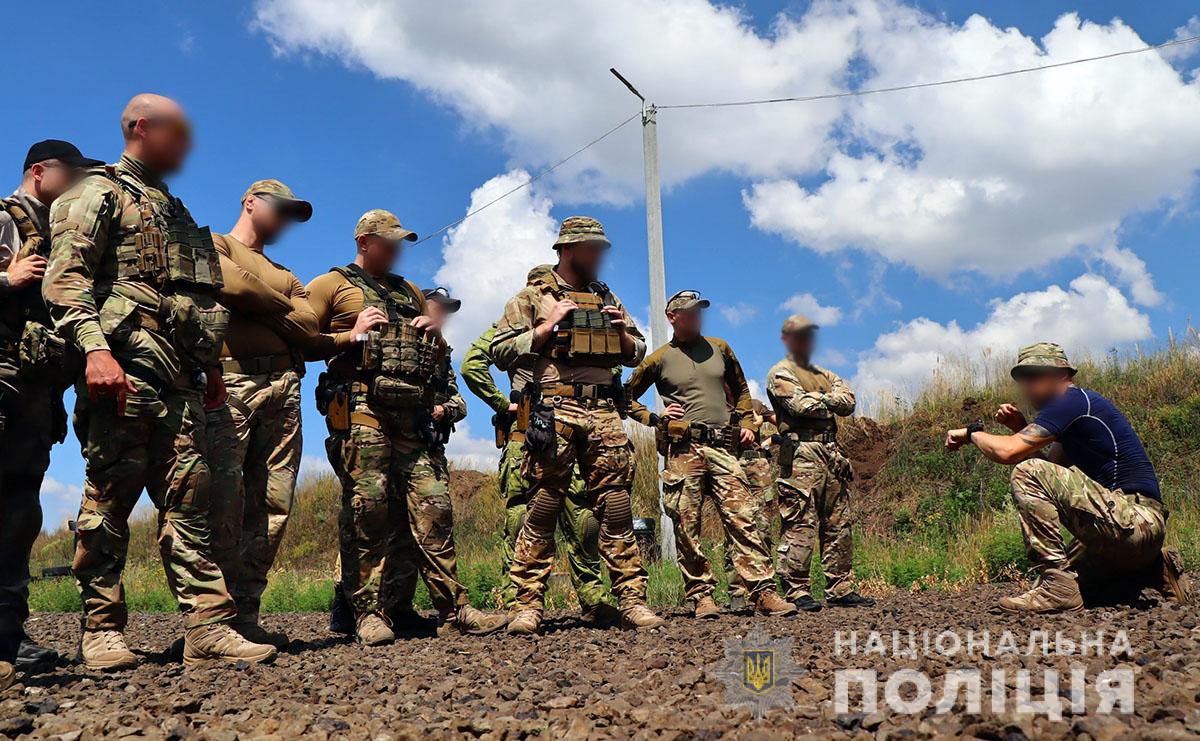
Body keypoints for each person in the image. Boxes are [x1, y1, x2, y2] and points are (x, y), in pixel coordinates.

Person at [44, 94, 276, 669]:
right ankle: (101, 630)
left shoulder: (174, 211)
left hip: (181, 377)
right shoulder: (97, 193)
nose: (189, 144)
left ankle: (207, 629)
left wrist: (212, 364)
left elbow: (195, 297)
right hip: (122, 370)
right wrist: (96, 352)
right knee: (109, 500)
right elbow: (65, 281)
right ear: (143, 128)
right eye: (179, 131)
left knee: (190, 501)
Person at [304, 210, 506, 645]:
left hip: (411, 418)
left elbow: (430, 358)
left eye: (400, 242)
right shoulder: (330, 285)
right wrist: (351, 335)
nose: (397, 249)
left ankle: (455, 610)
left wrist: (433, 334)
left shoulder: (409, 290)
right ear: (363, 240)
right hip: (361, 412)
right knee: (369, 510)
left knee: (434, 507)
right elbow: (300, 340)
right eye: (389, 241)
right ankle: (366, 612)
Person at [491, 215, 663, 635]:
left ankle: (632, 601)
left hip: (604, 413)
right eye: (592, 249)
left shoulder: (606, 296)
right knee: (544, 506)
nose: (599, 256)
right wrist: (549, 326)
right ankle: (527, 605)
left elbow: (637, 352)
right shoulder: (531, 297)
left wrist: (623, 335)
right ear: (567, 250)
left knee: (618, 509)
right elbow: (499, 351)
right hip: (556, 411)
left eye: (602, 249)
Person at [944, 342, 1190, 613]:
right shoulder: (1071, 420)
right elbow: (1047, 470)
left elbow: (1011, 455)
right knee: (1083, 589)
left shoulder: (1073, 401)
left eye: (1034, 376)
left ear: (1060, 375)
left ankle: (1061, 588)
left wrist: (971, 433)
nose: (1027, 386)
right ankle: (1154, 568)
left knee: (1058, 582)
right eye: (1023, 379)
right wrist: (1020, 427)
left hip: (1136, 519)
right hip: (1128, 531)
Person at [460, 270, 619, 626]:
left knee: (582, 517)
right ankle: (515, 603)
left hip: (569, 426)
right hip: (526, 434)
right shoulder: (514, 326)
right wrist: (504, 404)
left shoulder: (577, 323)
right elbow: (472, 364)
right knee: (525, 516)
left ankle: (593, 599)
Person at [625, 290, 795, 618]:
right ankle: (701, 595)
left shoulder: (720, 348)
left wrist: (746, 421)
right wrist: (655, 418)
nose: (696, 317)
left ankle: (763, 591)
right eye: (689, 312)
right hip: (683, 450)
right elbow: (625, 397)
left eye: (699, 311)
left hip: (722, 448)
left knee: (746, 517)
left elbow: (742, 390)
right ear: (672, 317)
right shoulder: (659, 359)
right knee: (686, 525)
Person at [0, 140, 101, 687]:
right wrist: (7, 280)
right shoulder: (2, 219)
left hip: (35, 397)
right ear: (40, 171)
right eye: (73, 173)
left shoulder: (64, 235)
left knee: (18, 521)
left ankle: (8, 638)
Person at [205, 179, 318, 648]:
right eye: (282, 209)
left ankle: (246, 614)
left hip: (283, 389)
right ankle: (213, 619)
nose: (286, 220)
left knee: (274, 505)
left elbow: (310, 328)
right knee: (223, 499)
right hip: (231, 383)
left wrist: (257, 303)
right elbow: (227, 282)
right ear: (250, 202)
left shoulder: (285, 272)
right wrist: (279, 310)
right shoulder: (215, 244)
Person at [767, 315, 874, 611]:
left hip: (832, 451)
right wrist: (829, 399)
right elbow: (798, 407)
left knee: (839, 521)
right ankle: (796, 589)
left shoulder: (824, 373)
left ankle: (839, 586)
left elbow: (849, 402)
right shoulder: (780, 373)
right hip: (800, 451)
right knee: (800, 521)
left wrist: (821, 397)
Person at [725, 399, 779, 612]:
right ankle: (737, 591)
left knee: (763, 528)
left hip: (758, 465)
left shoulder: (754, 404)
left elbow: (783, 422)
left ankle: (764, 589)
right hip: (732, 462)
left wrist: (770, 438)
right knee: (735, 527)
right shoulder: (716, 405)